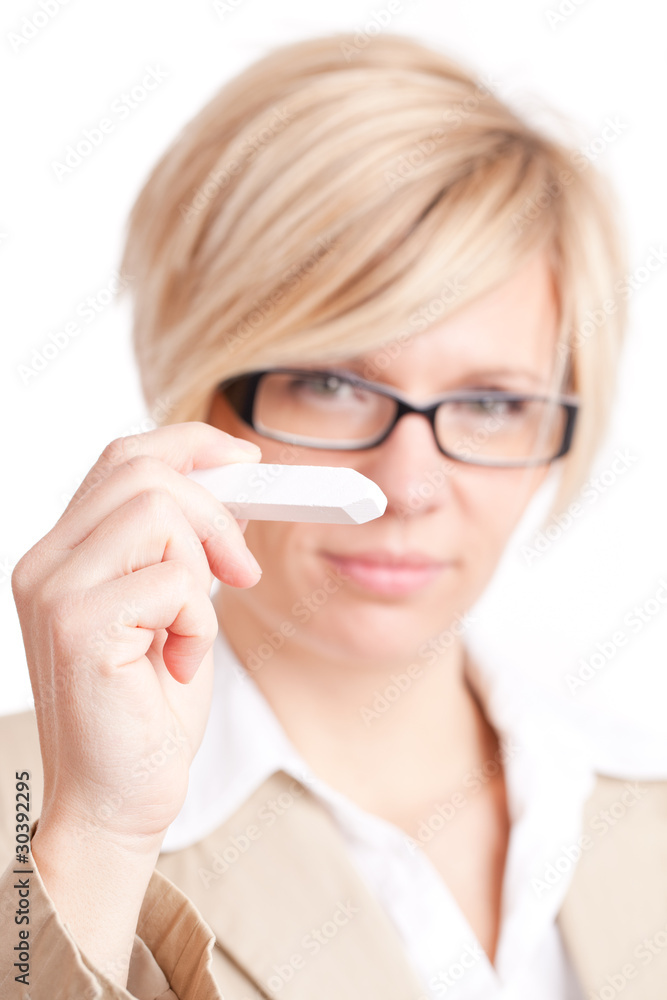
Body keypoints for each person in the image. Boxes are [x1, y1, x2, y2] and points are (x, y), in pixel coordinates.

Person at [2, 31, 666, 1000]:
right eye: (330, 385)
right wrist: (98, 837)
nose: (407, 486)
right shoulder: (38, 823)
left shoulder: (643, 806)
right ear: (197, 386)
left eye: (489, 403)